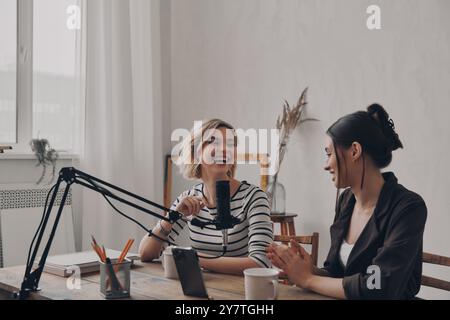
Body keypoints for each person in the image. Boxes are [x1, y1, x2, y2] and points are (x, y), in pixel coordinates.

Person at [267, 104, 427, 299]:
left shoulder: (408, 207)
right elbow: (338, 274)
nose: (326, 165)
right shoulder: (347, 201)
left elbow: (378, 285)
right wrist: (310, 270)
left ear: (354, 151)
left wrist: (308, 279)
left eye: (329, 154)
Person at [139, 119, 273, 275]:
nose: (224, 149)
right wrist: (170, 218)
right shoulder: (188, 198)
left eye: (230, 144)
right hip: (201, 288)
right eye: (213, 142)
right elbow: (145, 254)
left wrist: (193, 258)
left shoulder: (254, 198)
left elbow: (260, 263)